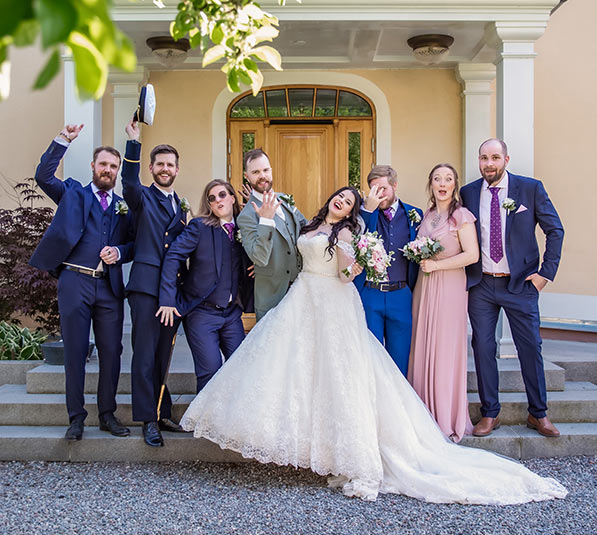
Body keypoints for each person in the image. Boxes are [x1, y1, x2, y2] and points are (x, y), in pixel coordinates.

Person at [181, 186, 566, 505]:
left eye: (349, 203)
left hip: (332, 302)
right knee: (295, 369)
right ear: (330, 199)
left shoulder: (346, 234)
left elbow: (346, 275)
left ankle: (348, 452)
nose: (341, 204)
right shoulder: (309, 222)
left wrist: (361, 264)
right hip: (301, 300)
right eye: (339, 198)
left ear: (351, 213)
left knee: (338, 373)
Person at [29, 125, 133, 441]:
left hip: (109, 287)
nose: (108, 170)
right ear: (93, 166)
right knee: (75, 352)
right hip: (74, 281)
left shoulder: (123, 206)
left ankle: (107, 415)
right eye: (103, 164)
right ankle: (76, 418)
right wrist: (62, 141)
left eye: (113, 166)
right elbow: (43, 177)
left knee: (112, 352)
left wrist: (119, 251)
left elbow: (134, 244)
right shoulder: (73, 193)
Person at [460, 139, 565, 438]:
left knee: (530, 348)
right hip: (481, 285)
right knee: (482, 347)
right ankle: (490, 413)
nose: (489, 163)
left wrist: (546, 273)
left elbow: (555, 229)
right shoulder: (468, 193)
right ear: (478, 161)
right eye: (483, 158)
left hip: (520, 283)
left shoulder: (529, 189)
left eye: (495, 157)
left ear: (506, 159)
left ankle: (538, 413)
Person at [122, 119, 188, 448]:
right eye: (159, 164)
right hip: (146, 287)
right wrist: (134, 142)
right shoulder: (141, 198)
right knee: (145, 354)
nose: (164, 169)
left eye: (170, 164)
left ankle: (162, 411)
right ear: (151, 168)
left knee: (164, 354)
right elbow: (129, 182)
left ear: (177, 169)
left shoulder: (183, 205)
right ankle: (147, 418)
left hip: (171, 291)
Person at [157, 179, 253, 393]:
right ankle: (205, 423)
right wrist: (167, 299)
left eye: (221, 195)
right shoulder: (199, 227)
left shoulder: (244, 229)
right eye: (212, 198)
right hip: (202, 312)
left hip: (232, 314)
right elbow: (173, 256)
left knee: (240, 367)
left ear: (231, 198)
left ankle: (229, 420)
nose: (217, 200)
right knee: (210, 369)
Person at [408, 164, 478, 442]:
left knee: (445, 347)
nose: (442, 183)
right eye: (437, 178)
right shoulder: (427, 216)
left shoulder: (461, 216)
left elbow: (472, 255)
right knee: (423, 345)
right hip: (424, 287)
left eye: (448, 178)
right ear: (431, 185)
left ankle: (446, 416)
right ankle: (422, 412)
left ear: (454, 185)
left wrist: (437, 266)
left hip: (449, 286)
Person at [357, 165, 422, 375]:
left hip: (401, 294)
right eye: (373, 189)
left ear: (394, 186)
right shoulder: (363, 214)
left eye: (383, 188)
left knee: (399, 359)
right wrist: (368, 210)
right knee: (370, 356)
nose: (378, 194)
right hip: (370, 293)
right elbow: (355, 239)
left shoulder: (415, 215)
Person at [237, 148, 306, 321]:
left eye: (265, 170)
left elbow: (306, 230)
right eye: (255, 172)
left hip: (301, 292)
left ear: (271, 170)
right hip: (272, 297)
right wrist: (266, 221)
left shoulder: (285, 200)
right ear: (247, 176)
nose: (262, 176)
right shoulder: (246, 216)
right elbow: (259, 258)